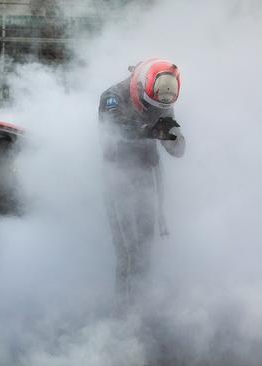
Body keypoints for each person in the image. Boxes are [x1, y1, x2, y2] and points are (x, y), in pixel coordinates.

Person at [98, 58, 185, 301]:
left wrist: (171, 136)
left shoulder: (162, 99)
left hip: (147, 179)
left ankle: (141, 311)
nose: (153, 109)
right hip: (118, 179)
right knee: (127, 252)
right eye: (150, 105)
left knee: (145, 251)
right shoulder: (112, 96)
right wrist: (152, 130)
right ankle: (122, 317)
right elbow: (115, 132)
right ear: (140, 87)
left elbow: (178, 149)